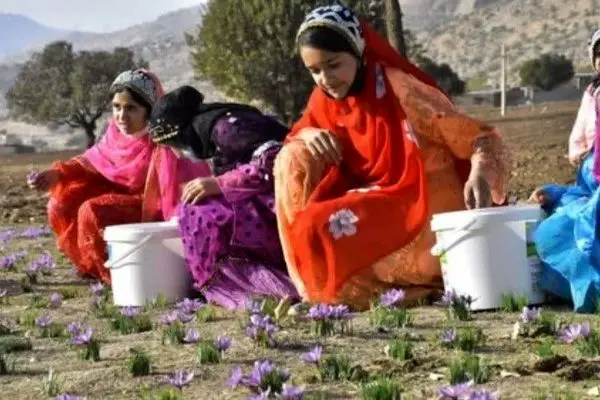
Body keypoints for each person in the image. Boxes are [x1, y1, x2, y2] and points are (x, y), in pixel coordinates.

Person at [273, 3, 510, 309]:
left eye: (333, 65)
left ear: (358, 52)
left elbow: (479, 137)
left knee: (322, 225)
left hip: (425, 200)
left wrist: (479, 173)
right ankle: (318, 291)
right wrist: (309, 134)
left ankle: (413, 287)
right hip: (378, 197)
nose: (325, 79)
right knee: (292, 161)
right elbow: (298, 131)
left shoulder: (400, 89)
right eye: (314, 71)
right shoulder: (325, 99)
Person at [29, 70, 210, 283]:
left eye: (131, 108)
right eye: (117, 107)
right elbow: (93, 162)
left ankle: (119, 276)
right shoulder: (114, 133)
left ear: (149, 111)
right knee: (62, 202)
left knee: (92, 210)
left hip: (152, 207)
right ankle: (95, 267)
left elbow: (177, 191)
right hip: (119, 197)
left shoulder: (166, 141)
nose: (122, 116)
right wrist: (58, 173)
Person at [148, 85, 298, 310]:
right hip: (271, 198)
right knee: (195, 206)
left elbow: (276, 162)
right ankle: (258, 290)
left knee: (199, 211)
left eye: (174, 145)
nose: (176, 153)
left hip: (284, 200)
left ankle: (257, 291)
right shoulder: (216, 128)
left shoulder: (226, 129)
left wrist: (219, 184)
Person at [529, 29, 600, 312]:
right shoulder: (592, 93)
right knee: (557, 224)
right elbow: (585, 183)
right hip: (591, 188)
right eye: (599, 54)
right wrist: (555, 193)